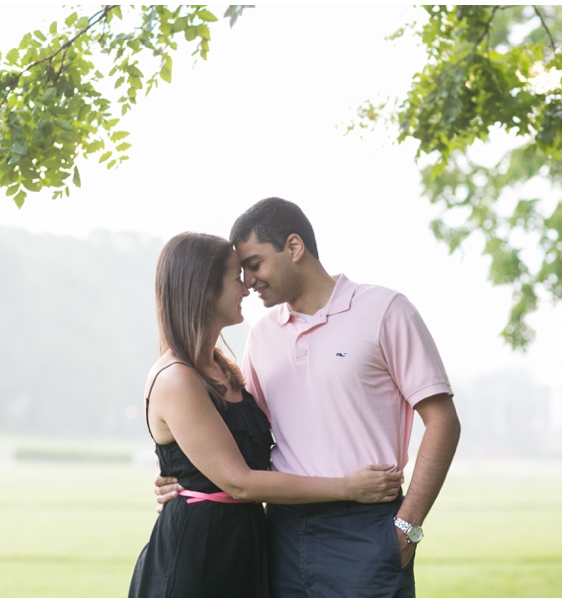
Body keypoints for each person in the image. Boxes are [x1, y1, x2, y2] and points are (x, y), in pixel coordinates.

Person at [156, 199, 461, 597]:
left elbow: (443, 421)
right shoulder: (263, 336)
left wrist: (407, 525)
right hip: (278, 530)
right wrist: (181, 479)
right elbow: (239, 434)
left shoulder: (385, 310)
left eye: (254, 263)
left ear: (294, 248)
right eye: (242, 271)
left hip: (367, 527)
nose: (247, 281)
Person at [129, 232, 402, 598]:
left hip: (245, 544)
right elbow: (239, 481)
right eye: (235, 276)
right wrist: (348, 487)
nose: (246, 288)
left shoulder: (222, 368)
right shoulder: (177, 377)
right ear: (204, 289)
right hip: (199, 553)